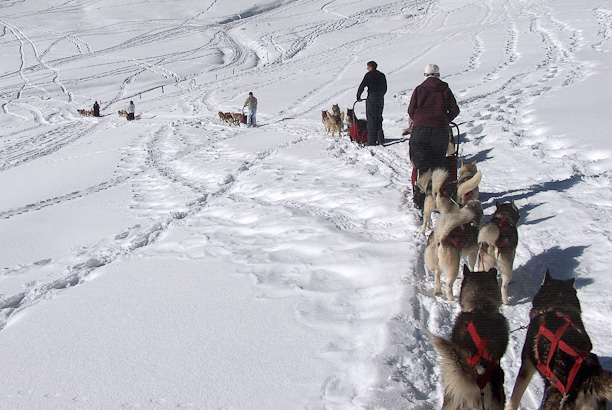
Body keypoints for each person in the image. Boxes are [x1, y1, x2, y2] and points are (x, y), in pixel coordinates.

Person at [408, 64, 460, 209]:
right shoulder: (445, 89)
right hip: (440, 131)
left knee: (422, 165)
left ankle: (420, 199)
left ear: (425, 75)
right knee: (437, 164)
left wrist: (419, 120)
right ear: (438, 75)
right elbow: (455, 110)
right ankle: (438, 196)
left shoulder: (419, 89)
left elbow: (411, 110)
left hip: (420, 131)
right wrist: (445, 120)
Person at [357, 61, 387, 146]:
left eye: (367, 67)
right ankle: (380, 139)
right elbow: (385, 87)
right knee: (379, 117)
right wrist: (380, 95)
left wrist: (358, 96)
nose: (367, 68)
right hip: (380, 98)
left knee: (371, 119)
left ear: (370, 67)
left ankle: (371, 141)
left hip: (372, 98)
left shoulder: (369, 75)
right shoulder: (382, 75)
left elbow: (362, 86)